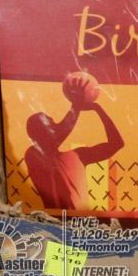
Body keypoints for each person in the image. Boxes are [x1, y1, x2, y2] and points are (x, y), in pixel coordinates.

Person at [23, 73, 124, 210]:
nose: (55, 126)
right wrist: (76, 105)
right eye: (47, 125)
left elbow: (116, 143)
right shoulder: (33, 156)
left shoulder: (76, 156)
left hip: (82, 220)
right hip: (56, 220)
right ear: (35, 136)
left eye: (53, 123)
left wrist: (98, 109)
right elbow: (54, 139)